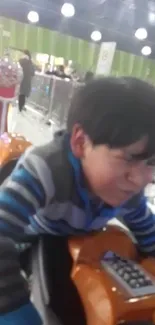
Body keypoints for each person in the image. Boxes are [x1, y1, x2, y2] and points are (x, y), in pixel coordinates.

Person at [1, 77, 155, 323]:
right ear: (81, 142)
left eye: (152, 163)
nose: (142, 179)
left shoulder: (127, 190)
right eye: (129, 158)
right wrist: (14, 310)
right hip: (33, 236)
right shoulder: (45, 170)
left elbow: (148, 230)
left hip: (81, 239)